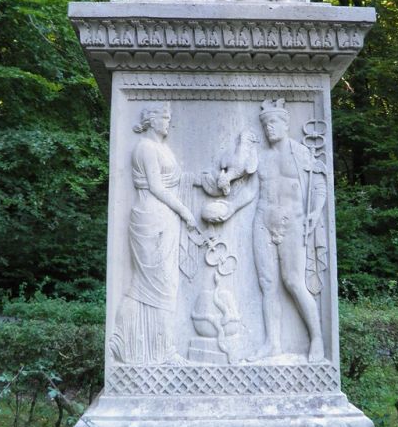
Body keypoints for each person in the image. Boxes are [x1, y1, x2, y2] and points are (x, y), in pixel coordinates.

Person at [203, 100, 327, 362]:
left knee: (293, 282)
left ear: (285, 124)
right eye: (265, 124)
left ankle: (316, 338)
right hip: (262, 222)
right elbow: (251, 191)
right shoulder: (261, 158)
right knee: (268, 285)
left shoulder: (300, 153)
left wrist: (315, 214)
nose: (269, 128)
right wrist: (232, 208)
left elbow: (318, 184)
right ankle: (273, 343)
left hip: (292, 223)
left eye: (273, 123)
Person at [109, 103, 197, 364]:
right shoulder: (145, 148)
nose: (168, 122)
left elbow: (176, 180)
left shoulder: (162, 147)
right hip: (150, 218)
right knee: (150, 286)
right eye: (165, 117)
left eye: (169, 117)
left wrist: (202, 180)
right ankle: (129, 342)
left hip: (164, 219)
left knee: (163, 286)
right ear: (151, 120)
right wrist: (185, 211)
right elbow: (158, 188)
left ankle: (152, 347)